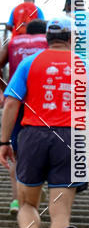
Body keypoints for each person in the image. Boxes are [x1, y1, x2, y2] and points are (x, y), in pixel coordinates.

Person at [0, 18, 89, 228]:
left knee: (27, 203)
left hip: (33, 134)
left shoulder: (29, 63)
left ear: (48, 38)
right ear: (71, 39)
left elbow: (11, 103)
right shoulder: (86, 66)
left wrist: (4, 141)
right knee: (60, 213)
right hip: (71, 138)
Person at [0, 20, 48, 214]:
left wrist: (5, 89)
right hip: (42, 103)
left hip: (17, 101)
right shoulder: (48, 43)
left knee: (16, 153)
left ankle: (15, 200)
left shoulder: (14, 43)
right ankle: (36, 187)